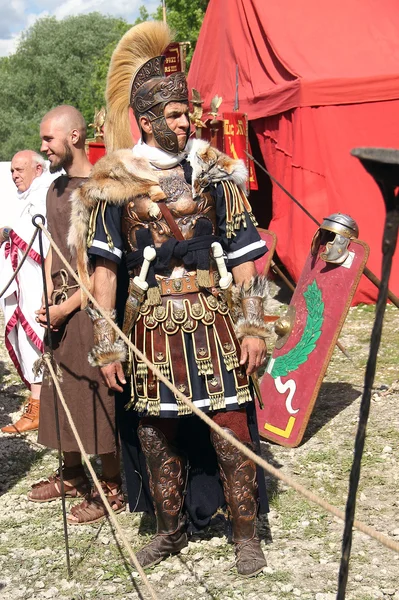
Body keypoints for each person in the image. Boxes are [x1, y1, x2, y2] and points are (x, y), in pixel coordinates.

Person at [69, 22, 270, 575]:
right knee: (157, 432)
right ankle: (169, 529)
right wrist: (108, 345)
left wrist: (253, 328)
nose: (187, 122)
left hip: (211, 318)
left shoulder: (215, 176)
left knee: (230, 427)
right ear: (149, 119)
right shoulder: (117, 183)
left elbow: (249, 256)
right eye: (176, 114)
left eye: (188, 112)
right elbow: (105, 272)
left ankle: (245, 533)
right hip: (152, 323)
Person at [29, 105, 125, 525]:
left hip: (88, 308)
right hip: (59, 307)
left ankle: (112, 485)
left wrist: (68, 307)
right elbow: (53, 248)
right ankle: (72, 474)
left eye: (49, 139)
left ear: (75, 136)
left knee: (94, 395)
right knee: (59, 391)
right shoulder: (53, 189)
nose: (43, 146)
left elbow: (101, 266)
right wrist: (49, 298)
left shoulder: (100, 190)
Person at [0, 150, 51, 434]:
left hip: (39, 283)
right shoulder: (22, 199)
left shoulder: (44, 196)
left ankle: (38, 407)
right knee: (25, 341)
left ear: (38, 170)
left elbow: (44, 239)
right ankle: (37, 405)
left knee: (36, 342)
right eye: (12, 171)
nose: (15, 175)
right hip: (24, 283)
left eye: (20, 170)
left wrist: (9, 232)